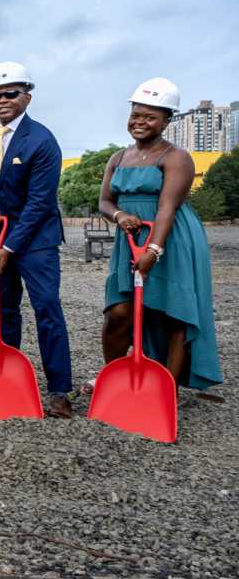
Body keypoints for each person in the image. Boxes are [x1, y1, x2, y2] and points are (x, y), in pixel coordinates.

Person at [97, 78, 222, 394]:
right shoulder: (118, 158)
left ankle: (166, 390)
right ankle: (111, 381)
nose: (139, 122)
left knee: (172, 314)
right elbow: (105, 201)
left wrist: (154, 249)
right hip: (130, 240)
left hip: (171, 240)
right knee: (119, 312)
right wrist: (120, 215)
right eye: (136, 115)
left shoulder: (176, 157)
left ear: (167, 120)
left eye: (150, 117)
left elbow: (167, 208)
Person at [0, 61, 74, 418]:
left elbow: (40, 202)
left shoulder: (42, 140)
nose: (2, 99)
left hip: (36, 242)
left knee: (47, 309)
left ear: (27, 96)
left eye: (10, 93)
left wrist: (10, 247)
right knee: (3, 310)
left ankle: (60, 389)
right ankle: (9, 381)